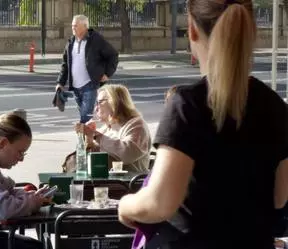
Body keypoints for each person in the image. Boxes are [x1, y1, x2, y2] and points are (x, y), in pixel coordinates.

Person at [118, 0, 288, 249]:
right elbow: (279, 197)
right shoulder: (275, 106)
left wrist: (125, 205)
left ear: (192, 30)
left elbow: (160, 202)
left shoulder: (187, 105)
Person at [0, 113, 49, 249]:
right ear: (3, 143)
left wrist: (31, 197)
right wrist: (31, 203)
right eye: (20, 152)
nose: (21, 158)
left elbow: (6, 191)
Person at [56, 14, 119, 124]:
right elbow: (65, 64)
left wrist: (107, 73)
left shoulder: (96, 39)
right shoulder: (71, 42)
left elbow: (113, 55)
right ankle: (89, 139)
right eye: (72, 25)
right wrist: (60, 82)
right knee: (85, 117)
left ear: (85, 26)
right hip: (75, 86)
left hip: (90, 85)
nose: (73, 28)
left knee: (85, 118)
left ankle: (83, 141)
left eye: (75, 25)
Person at [75, 84, 151, 173]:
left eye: (99, 102)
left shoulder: (136, 125)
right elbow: (94, 160)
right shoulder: (107, 128)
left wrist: (95, 135)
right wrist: (89, 139)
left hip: (128, 183)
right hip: (105, 180)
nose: (96, 108)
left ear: (114, 102)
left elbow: (127, 154)